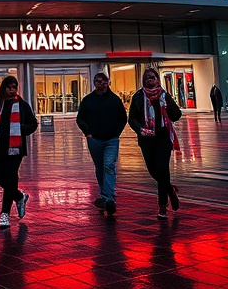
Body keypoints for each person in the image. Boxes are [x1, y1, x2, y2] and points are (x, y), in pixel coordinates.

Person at [0, 76, 38, 229]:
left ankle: (4, 214)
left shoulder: (22, 105)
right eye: (10, 87)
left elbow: (33, 124)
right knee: (0, 179)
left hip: (15, 148)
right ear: (4, 88)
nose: (12, 90)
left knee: (10, 177)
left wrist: (21, 130)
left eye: (15, 87)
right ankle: (19, 196)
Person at [128, 67, 182, 219]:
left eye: (152, 77)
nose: (149, 80)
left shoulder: (164, 95)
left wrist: (167, 104)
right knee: (153, 170)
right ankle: (170, 190)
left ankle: (162, 206)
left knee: (162, 169)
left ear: (158, 79)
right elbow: (131, 118)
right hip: (147, 139)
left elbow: (176, 115)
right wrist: (140, 130)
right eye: (146, 78)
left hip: (163, 138)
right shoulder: (138, 96)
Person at [76, 72, 128, 216]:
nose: (103, 85)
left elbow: (123, 118)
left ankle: (108, 198)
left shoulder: (115, 100)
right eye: (100, 82)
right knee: (100, 168)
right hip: (95, 140)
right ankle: (104, 194)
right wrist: (88, 133)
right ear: (94, 83)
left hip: (111, 139)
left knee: (109, 166)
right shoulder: (88, 100)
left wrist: (116, 133)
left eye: (105, 83)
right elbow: (80, 119)